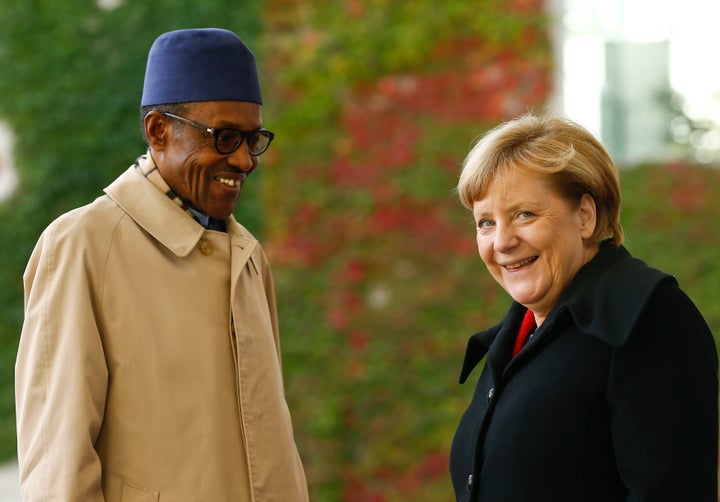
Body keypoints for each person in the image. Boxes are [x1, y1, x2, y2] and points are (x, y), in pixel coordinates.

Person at [15, 28, 309, 501]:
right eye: (225, 136)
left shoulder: (248, 256)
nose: (244, 160)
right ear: (158, 131)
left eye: (253, 139)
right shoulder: (82, 246)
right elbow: (58, 467)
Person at [450, 113, 718, 501]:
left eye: (524, 214)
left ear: (586, 216)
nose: (502, 242)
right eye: (486, 223)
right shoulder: (520, 335)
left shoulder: (648, 319)